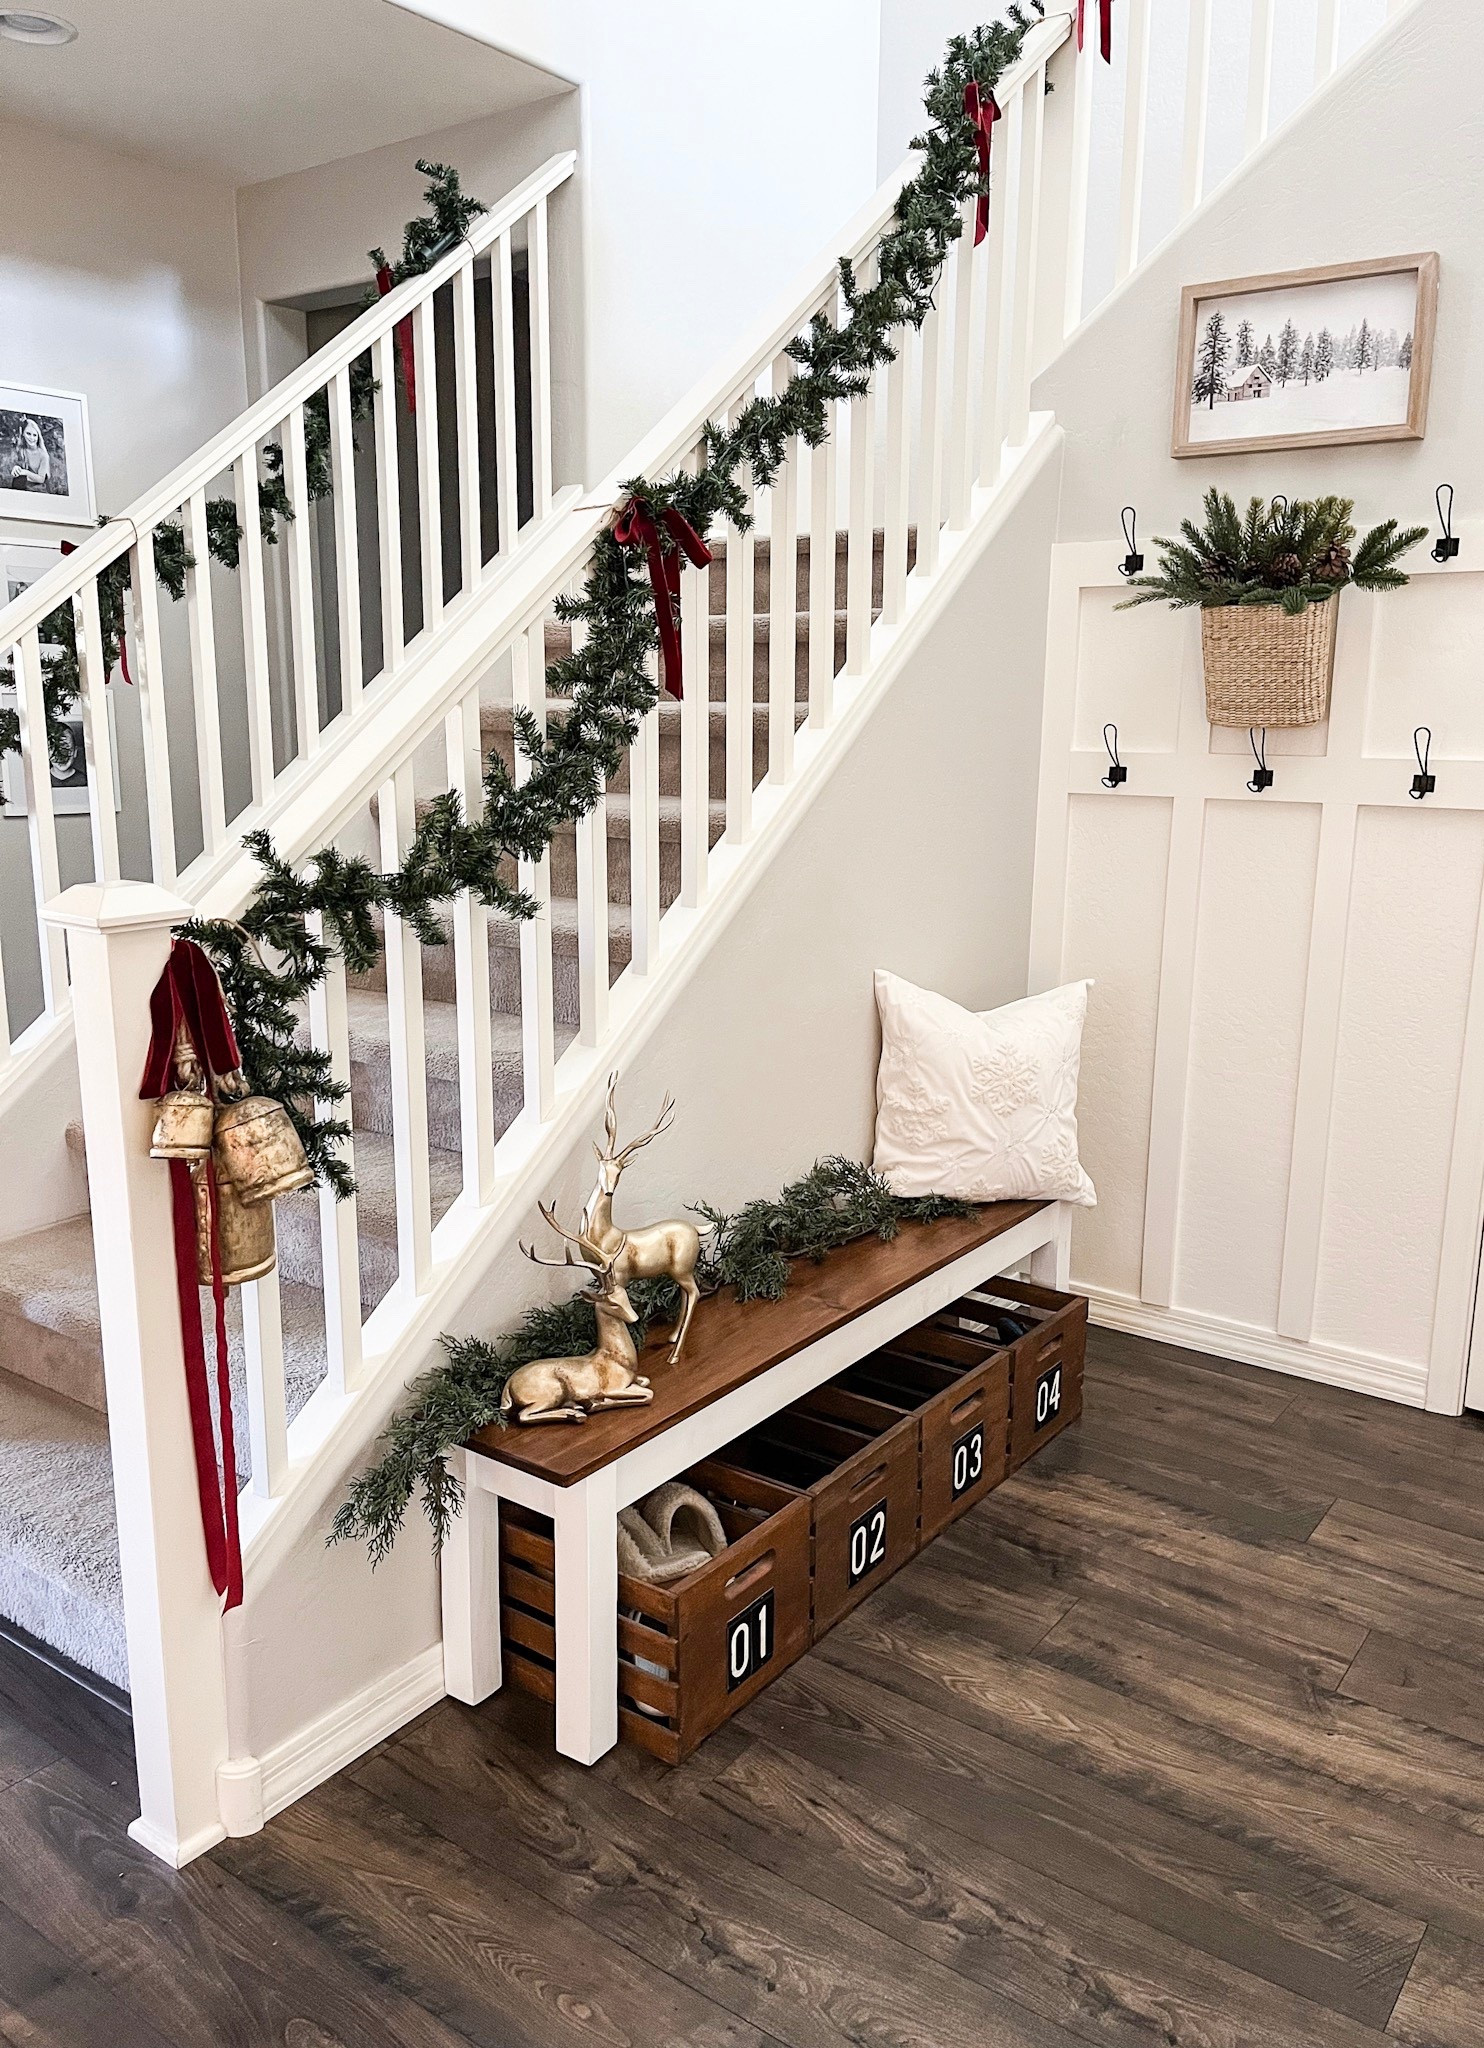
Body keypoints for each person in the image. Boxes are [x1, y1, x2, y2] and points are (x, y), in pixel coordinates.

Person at [8, 417, 51, 491]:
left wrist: (25, 472)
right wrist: (15, 469)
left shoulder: (43, 455)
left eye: (34, 435)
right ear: (23, 434)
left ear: (38, 436)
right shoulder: (20, 450)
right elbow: (14, 468)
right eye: (28, 434)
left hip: (38, 489)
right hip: (22, 485)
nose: (32, 438)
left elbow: (41, 479)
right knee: (18, 480)